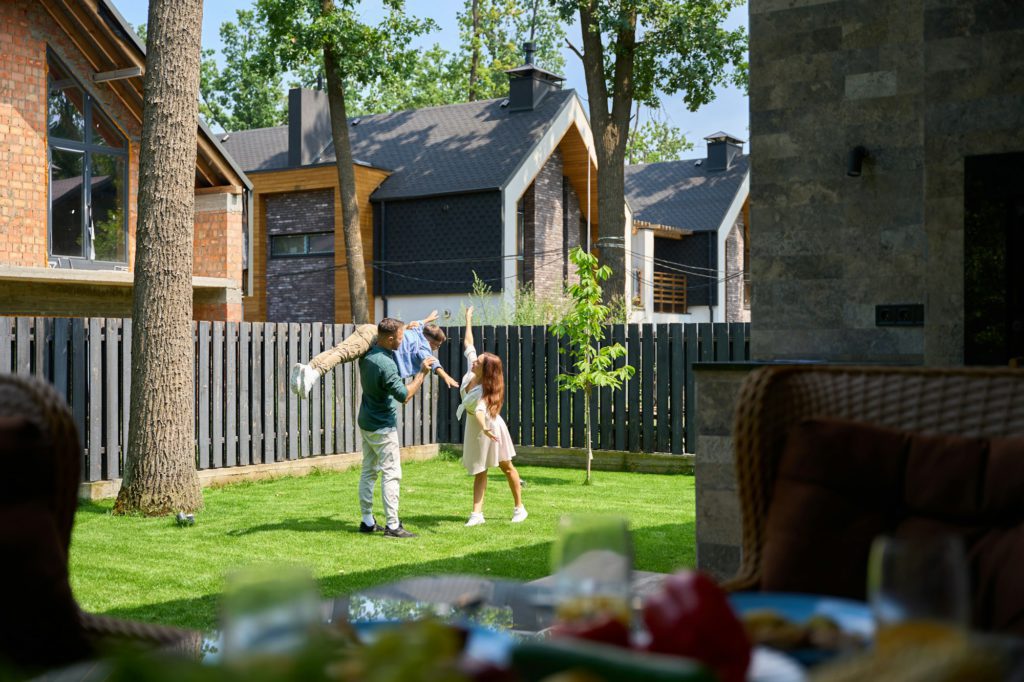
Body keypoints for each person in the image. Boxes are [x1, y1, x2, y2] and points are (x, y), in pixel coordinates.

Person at [357, 318, 435, 538]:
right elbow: (404, 395)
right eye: (401, 337)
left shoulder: (368, 354)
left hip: (366, 421)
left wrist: (410, 327)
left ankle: (367, 521)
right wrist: (422, 373)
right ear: (390, 339)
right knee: (392, 474)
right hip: (382, 427)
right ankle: (392, 525)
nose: (403, 341)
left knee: (369, 472)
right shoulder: (387, 365)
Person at [457, 306, 526, 527]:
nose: (474, 360)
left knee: (506, 467)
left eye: (478, 361)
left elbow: (479, 411)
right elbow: (468, 343)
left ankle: (519, 508)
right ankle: (477, 515)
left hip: (491, 428)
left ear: (485, 370)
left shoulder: (486, 392)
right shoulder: (471, 373)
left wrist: (485, 429)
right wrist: (468, 319)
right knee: (480, 469)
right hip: (475, 427)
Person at [289, 310, 459, 398]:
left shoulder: (419, 330)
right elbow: (433, 362)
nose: (436, 348)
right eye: (436, 345)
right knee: (342, 354)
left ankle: (307, 368)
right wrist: (445, 376)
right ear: (430, 341)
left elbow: (421, 322)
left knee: (338, 350)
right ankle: (314, 375)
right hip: (372, 336)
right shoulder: (423, 347)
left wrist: (429, 318)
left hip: (369, 329)